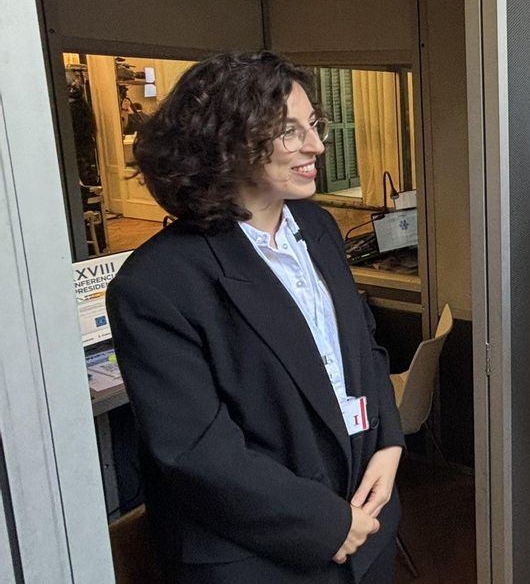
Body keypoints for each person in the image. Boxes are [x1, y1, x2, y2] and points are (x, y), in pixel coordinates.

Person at [106, 51, 404, 583]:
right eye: (289, 132)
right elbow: (196, 452)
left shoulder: (317, 227)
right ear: (224, 144)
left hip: (368, 521)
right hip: (263, 559)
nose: (316, 145)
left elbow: (364, 346)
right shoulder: (155, 284)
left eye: (313, 125)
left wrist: (388, 442)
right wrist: (328, 523)